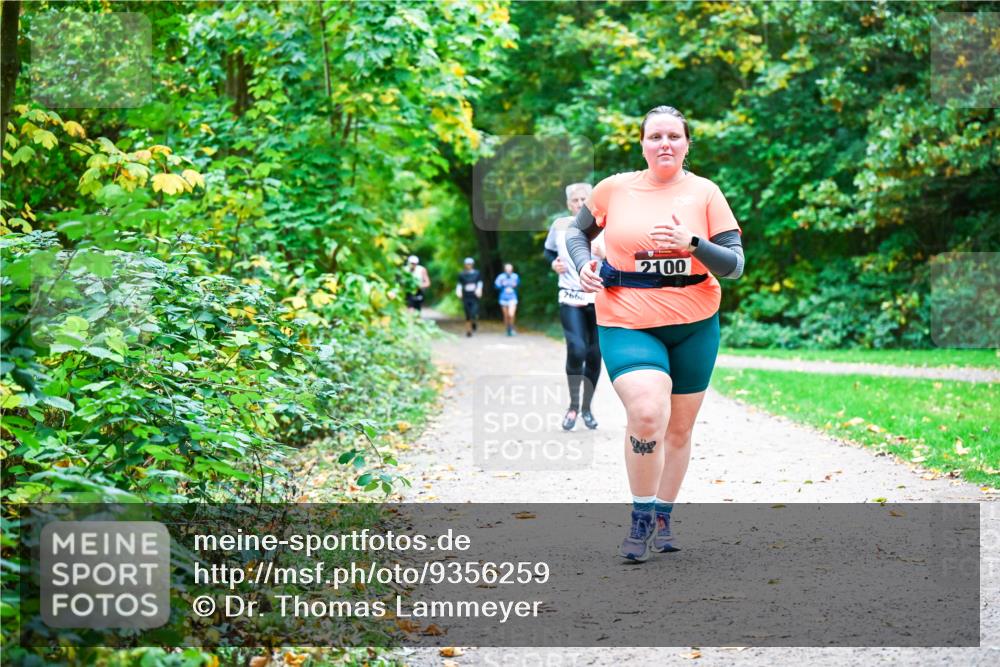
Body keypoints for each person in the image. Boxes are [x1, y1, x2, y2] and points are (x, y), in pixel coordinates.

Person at [565, 105, 745, 562]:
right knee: (648, 413)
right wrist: (584, 262)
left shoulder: (705, 193)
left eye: (674, 136)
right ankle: (641, 515)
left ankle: (664, 513)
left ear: (687, 144)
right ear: (642, 144)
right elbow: (576, 232)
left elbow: (735, 265)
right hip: (626, 317)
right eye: (655, 136)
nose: (665, 143)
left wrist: (692, 244)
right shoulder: (615, 189)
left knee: (679, 429)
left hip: (695, 322)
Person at [544, 183, 603, 431]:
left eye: (584, 200)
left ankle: (587, 408)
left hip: (599, 298)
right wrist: (554, 264)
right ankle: (572, 406)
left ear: (591, 202)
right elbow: (549, 253)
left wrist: (607, 256)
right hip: (570, 296)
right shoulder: (559, 225)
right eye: (575, 200)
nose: (580, 204)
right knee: (577, 350)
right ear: (569, 204)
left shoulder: (604, 225)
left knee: (594, 354)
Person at [455, 257, 483, 337]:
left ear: (472, 265)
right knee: (467, 313)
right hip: (466, 296)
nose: (469, 266)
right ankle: (468, 330)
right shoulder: (462, 274)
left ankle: (474, 322)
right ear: (465, 265)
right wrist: (459, 292)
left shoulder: (477, 273)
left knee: (473, 312)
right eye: (467, 264)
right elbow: (459, 285)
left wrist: (479, 290)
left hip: (474, 296)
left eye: (470, 264)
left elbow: (480, 283)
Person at [494, 263, 520, 336]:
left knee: (511, 314)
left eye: (510, 269)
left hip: (512, 297)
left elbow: (518, 285)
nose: (509, 270)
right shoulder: (500, 277)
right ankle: (507, 329)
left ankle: (511, 328)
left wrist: (515, 286)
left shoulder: (515, 276)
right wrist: (502, 285)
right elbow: (496, 286)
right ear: (505, 269)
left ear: (512, 269)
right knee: (506, 315)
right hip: (503, 298)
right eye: (507, 269)